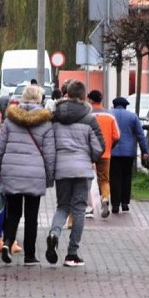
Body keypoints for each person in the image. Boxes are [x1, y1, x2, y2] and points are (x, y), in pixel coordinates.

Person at [0, 84, 55, 265]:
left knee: (14, 213)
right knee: (32, 216)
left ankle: (8, 242)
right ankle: (30, 256)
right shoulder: (45, 122)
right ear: (39, 99)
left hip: (11, 172)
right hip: (35, 173)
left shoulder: (10, 120)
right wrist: (49, 178)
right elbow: (50, 154)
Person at [45, 80, 104, 267]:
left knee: (62, 206)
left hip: (62, 169)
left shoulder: (54, 117)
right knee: (79, 209)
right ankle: (72, 254)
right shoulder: (89, 119)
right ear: (83, 96)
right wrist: (90, 158)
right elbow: (99, 147)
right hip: (82, 170)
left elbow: (48, 144)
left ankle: (54, 233)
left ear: (67, 94)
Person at [110, 96, 149, 214]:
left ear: (114, 105)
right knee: (127, 177)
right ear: (126, 106)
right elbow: (140, 135)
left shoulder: (110, 114)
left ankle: (115, 204)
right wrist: (145, 151)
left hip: (113, 152)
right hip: (129, 152)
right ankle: (125, 203)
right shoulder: (133, 117)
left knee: (114, 178)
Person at [87, 90, 120, 218]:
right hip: (105, 153)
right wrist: (109, 147)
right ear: (101, 100)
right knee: (104, 180)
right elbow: (116, 136)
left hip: (89, 153)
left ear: (90, 100)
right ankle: (105, 198)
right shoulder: (110, 116)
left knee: (88, 180)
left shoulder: (87, 116)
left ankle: (90, 207)